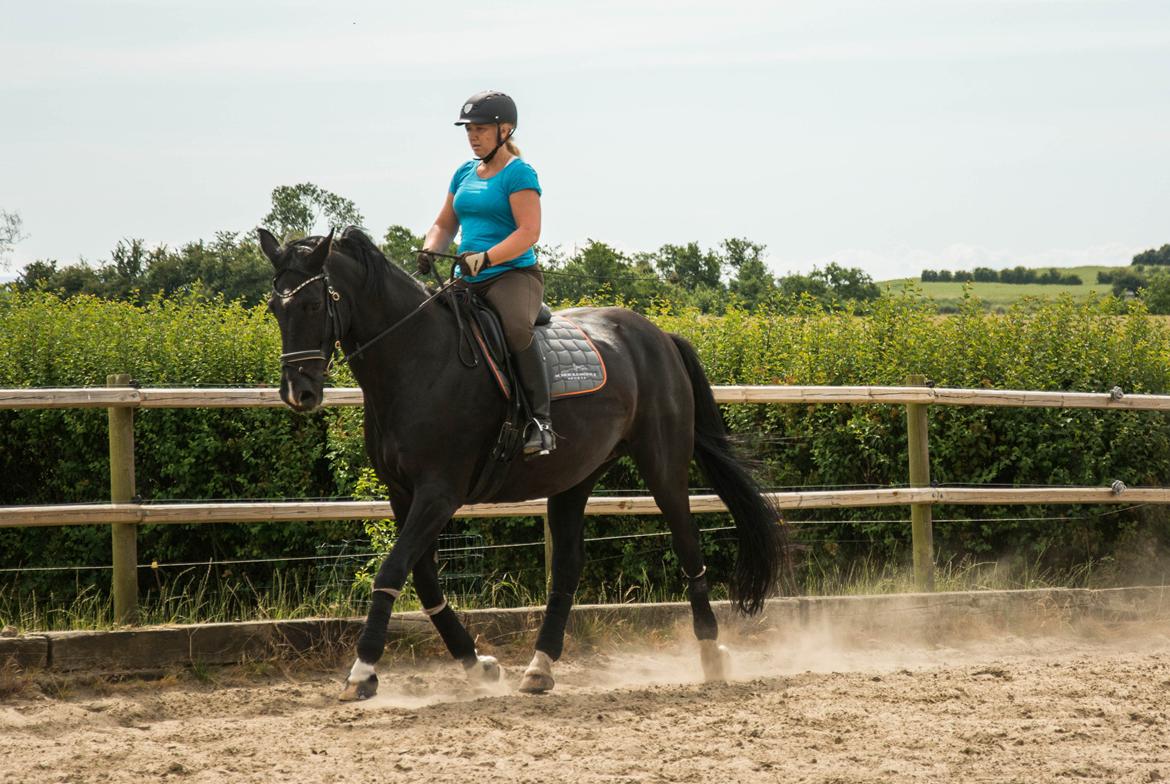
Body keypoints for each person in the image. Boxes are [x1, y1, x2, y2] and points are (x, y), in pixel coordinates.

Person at [415, 90, 555, 456]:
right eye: (468, 130)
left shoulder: (519, 173)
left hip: (512, 276)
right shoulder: (463, 173)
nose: (473, 136)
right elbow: (444, 224)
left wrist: (486, 258)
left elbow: (528, 233)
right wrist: (432, 248)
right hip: (468, 276)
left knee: (513, 328)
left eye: (480, 129)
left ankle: (541, 422)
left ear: (505, 130)